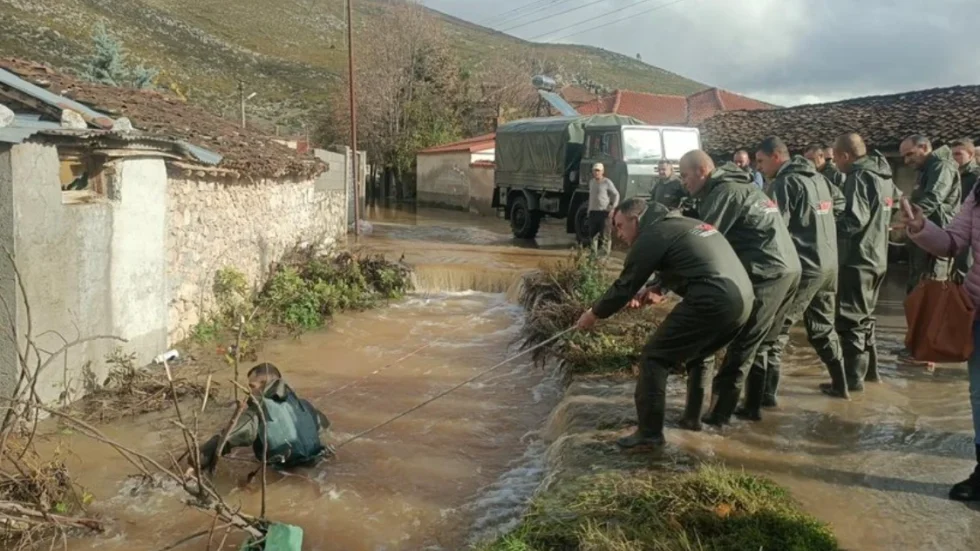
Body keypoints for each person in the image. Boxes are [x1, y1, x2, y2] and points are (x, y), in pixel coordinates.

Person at [574, 198, 753, 448]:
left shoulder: (652, 233)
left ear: (635, 220)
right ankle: (692, 421)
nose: (618, 233)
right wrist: (660, 287)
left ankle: (649, 434)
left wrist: (593, 314)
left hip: (713, 298)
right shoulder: (682, 224)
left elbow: (625, 285)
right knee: (700, 356)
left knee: (654, 358)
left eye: (620, 225)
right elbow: (693, 263)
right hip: (743, 300)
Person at [679, 150, 801, 425]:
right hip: (789, 269)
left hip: (767, 273)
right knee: (762, 342)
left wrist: (666, 278)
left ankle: (719, 416)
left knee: (742, 342)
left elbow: (705, 240)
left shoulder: (725, 192)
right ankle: (753, 407)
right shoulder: (742, 186)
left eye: (685, 175)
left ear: (702, 170)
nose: (683, 182)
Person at [902, 189, 980, 502]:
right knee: (979, 394)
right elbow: (953, 243)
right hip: (978, 309)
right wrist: (922, 227)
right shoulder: (978, 193)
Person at [756, 137, 847, 401]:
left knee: (777, 329)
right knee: (823, 327)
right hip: (829, 264)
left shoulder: (785, 182)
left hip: (805, 267)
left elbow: (774, 228)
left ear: (776, 156)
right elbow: (839, 204)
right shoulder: (818, 178)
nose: (759, 168)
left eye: (761, 161)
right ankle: (842, 386)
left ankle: (766, 396)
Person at [832, 133, 897, 391]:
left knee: (850, 321)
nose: (834, 163)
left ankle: (850, 381)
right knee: (866, 318)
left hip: (858, 259)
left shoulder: (858, 177)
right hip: (878, 257)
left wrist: (827, 223)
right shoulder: (884, 177)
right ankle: (871, 373)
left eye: (835, 158)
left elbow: (854, 220)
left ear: (846, 156)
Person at [196, 363, 333, 472]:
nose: (250, 392)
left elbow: (225, 438)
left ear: (263, 384)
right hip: (320, 464)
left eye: (252, 386)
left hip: (286, 472)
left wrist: (194, 462)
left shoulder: (258, 411)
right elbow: (325, 427)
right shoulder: (304, 405)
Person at [897, 135, 961, 362]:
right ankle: (917, 344)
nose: (906, 161)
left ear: (924, 147)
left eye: (910, 154)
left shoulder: (941, 166)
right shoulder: (927, 168)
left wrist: (912, 218)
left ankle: (929, 352)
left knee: (931, 293)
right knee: (917, 290)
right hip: (923, 237)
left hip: (936, 238)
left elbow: (934, 197)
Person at [951, 138, 980, 281]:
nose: (954, 158)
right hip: (955, 225)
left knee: (965, 267)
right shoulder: (954, 174)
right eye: (953, 155)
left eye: (958, 154)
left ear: (971, 154)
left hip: (971, 228)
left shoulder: (976, 176)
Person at [586, 162, 620, 255]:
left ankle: (605, 257)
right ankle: (593, 256)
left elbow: (616, 194)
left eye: (598, 170)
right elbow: (591, 197)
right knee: (592, 235)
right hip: (593, 212)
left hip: (604, 213)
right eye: (595, 170)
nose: (596, 172)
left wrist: (613, 208)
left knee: (605, 235)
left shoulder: (607, 182)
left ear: (602, 171)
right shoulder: (591, 182)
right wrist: (588, 211)